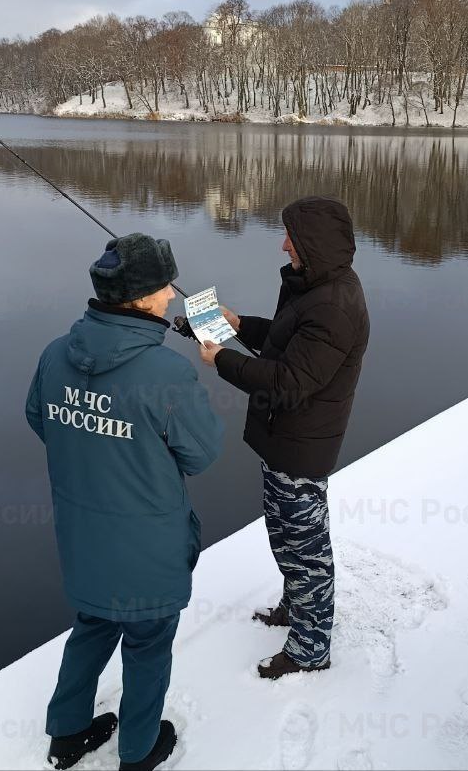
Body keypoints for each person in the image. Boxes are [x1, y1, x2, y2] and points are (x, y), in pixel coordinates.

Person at [25, 233, 224, 771]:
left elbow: (39, 419)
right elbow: (202, 453)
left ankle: (66, 734)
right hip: (148, 545)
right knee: (147, 641)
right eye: (165, 286)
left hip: (83, 536)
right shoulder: (166, 373)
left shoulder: (53, 353)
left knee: (91, 624)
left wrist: (98, 451)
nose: (171, 296)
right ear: (141, 298)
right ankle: (138, 750)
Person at [196, 196, 369, 680]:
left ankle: (311, 650)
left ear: (311, 242)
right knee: (286, 537)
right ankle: (296, 609)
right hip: (287, 440)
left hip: (302, 446)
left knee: (306, 547)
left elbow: (291, 381)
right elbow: (290, 343)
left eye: (290, 236)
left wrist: (222, 361)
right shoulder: (315, 288)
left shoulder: (334, 304)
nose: (282, 244)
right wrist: (238, 326)